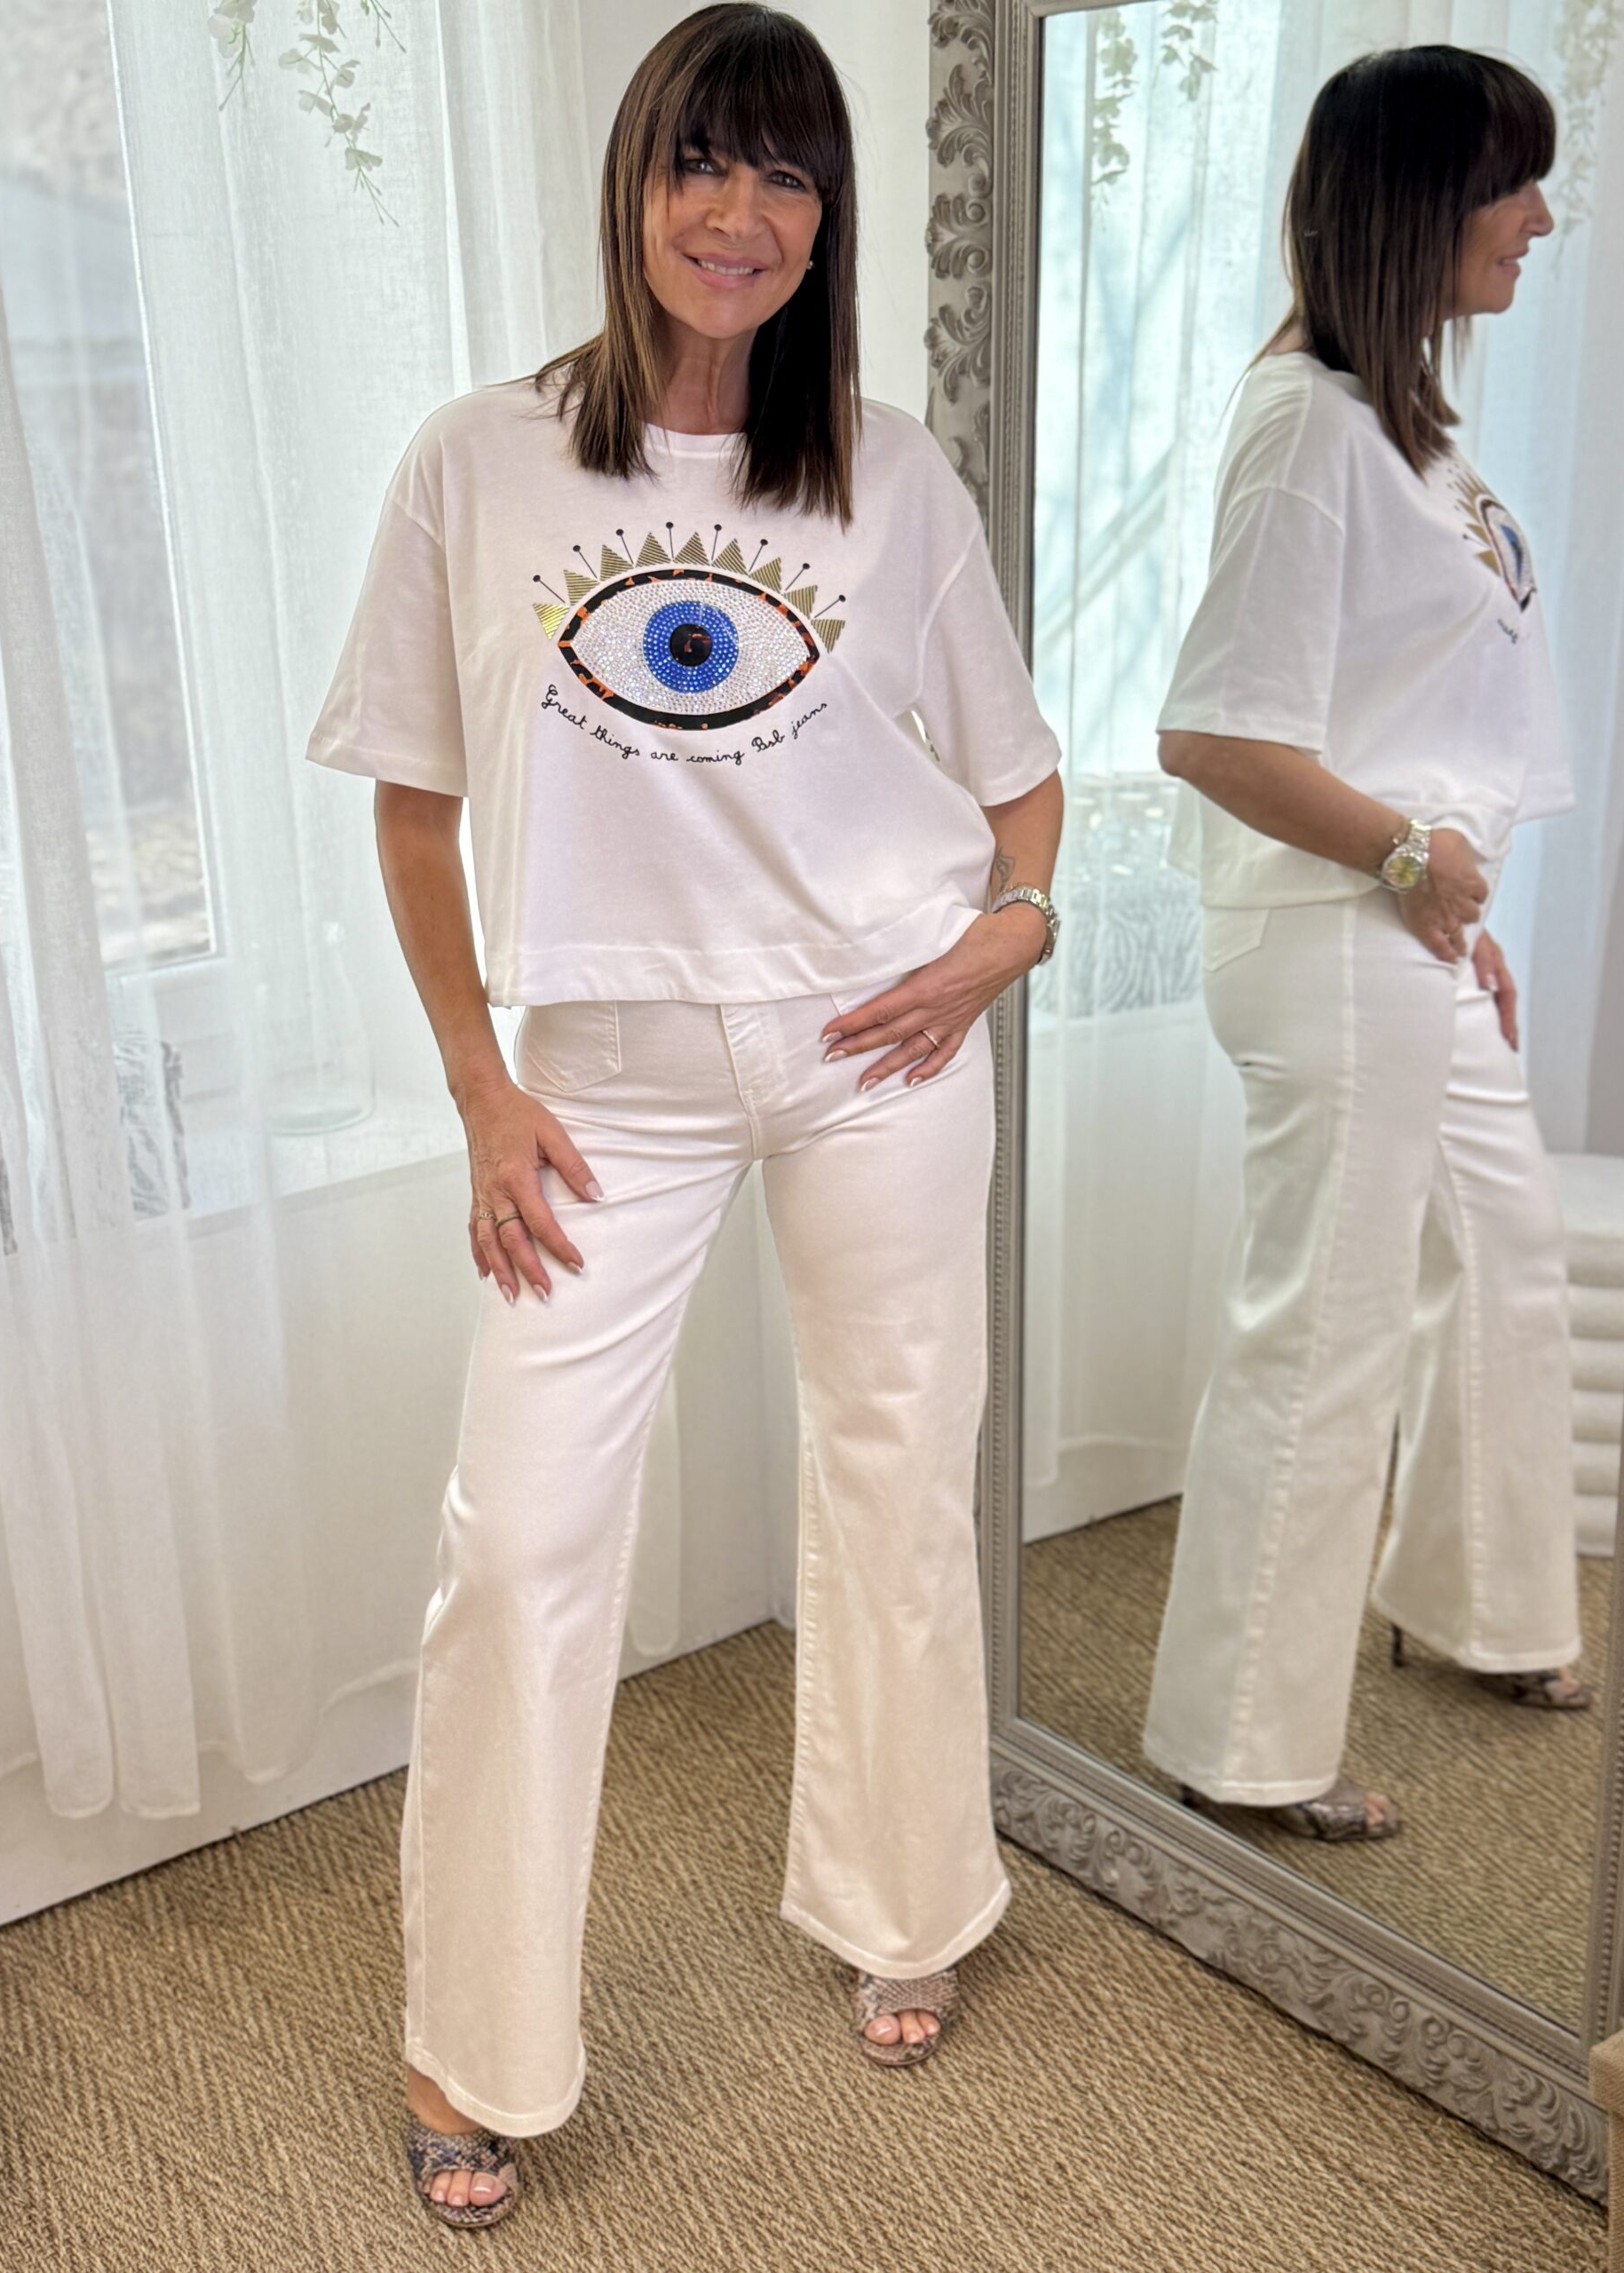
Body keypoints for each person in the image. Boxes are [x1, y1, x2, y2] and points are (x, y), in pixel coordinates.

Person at [305, 5, 1064, 2229]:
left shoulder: (891, 477)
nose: (740, 214)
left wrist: (1009, 932)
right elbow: (416, 802)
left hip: (875, 1049)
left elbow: (1023, 785)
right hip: (602, 1084)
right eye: (700, 164)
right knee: (522, 1542)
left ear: (830, 218)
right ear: (634, 185)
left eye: (788, 175)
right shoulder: (481, 463)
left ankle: (903, 1893)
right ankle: (472, 2037)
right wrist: (482, 1085)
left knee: (899, 1472)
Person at [1140, 44, 1588, 1847]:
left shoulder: (1410, 428)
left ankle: (1482, 1603)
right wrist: (1408, 856)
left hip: (1409, 932)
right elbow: (1211, 731)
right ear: (1420, 203)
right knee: (1323, 1328)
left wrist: (1450, 896)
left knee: (1507, 1252)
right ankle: (1242, 1737)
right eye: (1513, 186)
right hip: (1336, 930)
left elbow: (1416, 706)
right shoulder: (1311, 426)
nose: (1542, 220)